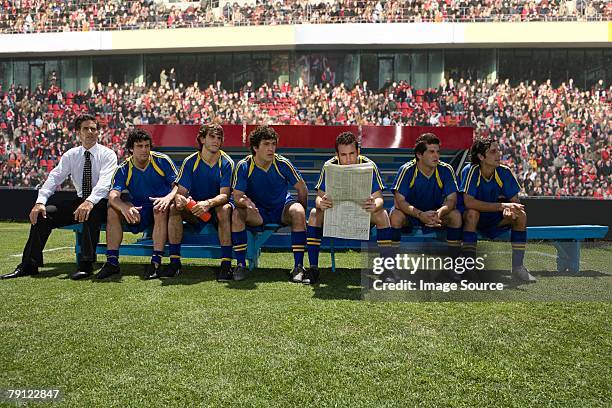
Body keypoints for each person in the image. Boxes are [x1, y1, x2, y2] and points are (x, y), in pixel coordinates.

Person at [1, 114, 117, 280]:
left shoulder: (108, 154)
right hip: (80, 200)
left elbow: (105, 182)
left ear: (98, 132)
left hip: (101, 202)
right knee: (44, 214)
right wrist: (40, 202)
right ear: (78, 132)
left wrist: (90, 201)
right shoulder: (71, 155)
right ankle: (29, 265)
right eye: (86, 128)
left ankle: (86, 265)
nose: (90, 132)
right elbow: (54, 177)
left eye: (94, 128)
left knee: (89, 212)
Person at [305, 131, 391, 285]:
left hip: (362, 213)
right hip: (335, 212)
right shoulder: (329, 166)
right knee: (313, 214)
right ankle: (313, 268)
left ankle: (387, 270)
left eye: (352, 153)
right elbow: (318, 197)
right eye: (343, 155)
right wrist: (321, 203)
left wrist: (374, 204)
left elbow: (379, 199)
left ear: (358, 151)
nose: (349, 159)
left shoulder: (369, 165)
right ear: (337, 154)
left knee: (382, 214)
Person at [95, 129, 177, 280]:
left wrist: (168, 198)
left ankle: (156, 262)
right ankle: (112, 262)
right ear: (131, 148)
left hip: (162, 205)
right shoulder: (123, 168)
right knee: (112, 210)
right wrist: (124, 206)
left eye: (147, 146)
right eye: (140, 146)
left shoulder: (162, 160)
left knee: (160, 208)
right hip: (141, 208)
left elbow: (178, 186)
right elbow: (113, 196)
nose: (144, 150)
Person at [231, 126, 308, 282]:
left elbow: (302, 189)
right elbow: (237, 196)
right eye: (266, 144)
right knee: (237, 213)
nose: (271, 148)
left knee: (298, 211)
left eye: (273, 144)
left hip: (281, 209)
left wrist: (300, 215)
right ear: (255, 147)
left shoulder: (282, 163)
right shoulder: (244, 166)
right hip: (257, 211)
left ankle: (298, 266)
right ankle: (240, 264)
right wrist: (245, 203)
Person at [461, 137, 535, 282]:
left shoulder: (504, 172)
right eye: (493, 151)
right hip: (473, 220)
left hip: (494, 218)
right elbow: (468, 202)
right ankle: (468, 269)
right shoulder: (470, 170)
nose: (498, 154)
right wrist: (502, 206)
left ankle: (518, 268)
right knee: (472, 214)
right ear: (481, 157)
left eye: (498, 150)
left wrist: (510, 210)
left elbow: (515, 202)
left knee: (521, 215)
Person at [389, 133, 463, 279]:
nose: (436, 155)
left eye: (438, 151)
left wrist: (439, 213)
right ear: (419, 155)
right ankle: (392, 267)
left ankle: (453, 265)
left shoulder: (446, 169)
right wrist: (420, 215)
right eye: (431, 151)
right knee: (396, 216)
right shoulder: (407, 170)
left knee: (455, 216)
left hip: (435, 215)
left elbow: (452, 199)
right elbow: (400, 201)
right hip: (412, 215)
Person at [168, 123, 234, 281]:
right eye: (212, 136)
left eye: (219, 138)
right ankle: (174, 262)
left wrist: (208, 203)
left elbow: (224, 195)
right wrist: (180, 200)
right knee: (173, 209)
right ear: (202, 139)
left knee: (224, 209)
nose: (216, 140)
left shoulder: (227, 162)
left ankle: (226, 265)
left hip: (216, 208)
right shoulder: (190, 161)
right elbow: (181, 193)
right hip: (196, 208)